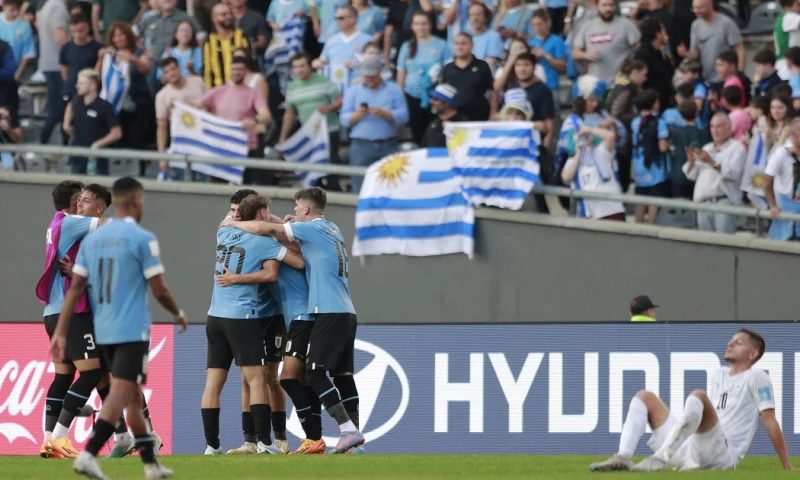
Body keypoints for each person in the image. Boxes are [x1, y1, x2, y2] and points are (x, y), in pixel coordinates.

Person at [49, 177, 187, 480]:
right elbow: (159, 288)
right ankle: (88, 453)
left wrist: (60, 331)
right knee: (123, 390)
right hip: (130, 328)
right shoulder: (142, 238)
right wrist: (178, 313)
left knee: (133, 397)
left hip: (101, 326)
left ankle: (150, 465)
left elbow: (75, 289)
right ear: (137, 201)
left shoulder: (93, 239)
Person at [225, 187, 365, 454]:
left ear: (307, 209)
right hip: (346, 310)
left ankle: (344, 432)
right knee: (341, 375)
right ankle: (350, 443)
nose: (295, 211)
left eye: (298, 207)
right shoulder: (332, 229)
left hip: (324, 310)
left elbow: (269, 232)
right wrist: (282, 222)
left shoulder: (308, 230)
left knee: (310, 374)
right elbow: (286, 234)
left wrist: (232, 223)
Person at [590, 329, 792, 472]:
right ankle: (624, 457)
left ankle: (660, 459)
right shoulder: (719, 375)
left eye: (738, 343)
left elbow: (770, 420)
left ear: (753, 353)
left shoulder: (757, 377)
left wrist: (787, 466)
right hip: (691, 450)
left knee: (699, 396)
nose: (730, 344)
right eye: (731, 340)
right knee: (645, 397)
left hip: (723, 455)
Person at [215, 193, 322, 455]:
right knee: (248, 378)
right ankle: (250, 441)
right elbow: (224, 224)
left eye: (238, 211)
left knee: (272, 378)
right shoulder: (231, 231)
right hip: (249, 315)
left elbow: (289, 265)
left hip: (274, 315)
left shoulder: (268, 238)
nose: (233, 216)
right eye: (231, 211)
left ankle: (280, 438)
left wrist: (272, 223)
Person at [36, 182, 107, 459]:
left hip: (52, 312)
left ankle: (47, 441)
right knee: (91, 371)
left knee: (63, 376)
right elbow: (110, 225)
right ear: (75, 200)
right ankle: (60, 437)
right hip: (72, 313)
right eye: (81, 199)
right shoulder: (71, 222)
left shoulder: (54, 224)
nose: (82, 204)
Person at [340, 57, 409, 193]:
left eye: (372, 76)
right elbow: (343, 119)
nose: (369, 79)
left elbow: (404, 116)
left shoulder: (394, 89)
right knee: (359, 188)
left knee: (392, 187)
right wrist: (357, 115)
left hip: (388, 145)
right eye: (366, 76)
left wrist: (385, 114)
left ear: (379, 72)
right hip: (361, 146)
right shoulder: (353, 91)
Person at [683, 112, 746, 234]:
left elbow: (733, 174)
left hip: (724, 202)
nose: (714, 130)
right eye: (712, 126)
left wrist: (711, 162)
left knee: (723, 245)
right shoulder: (707, 147)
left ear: (729, 128)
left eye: (719, 126)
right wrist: (691, 161)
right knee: (706, 246)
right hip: (703, 203)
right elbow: (692, 175)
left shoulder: (737, 148)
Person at [396, 10, 451, 145]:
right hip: (412, 96)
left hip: (435, 98)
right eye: (417, 24)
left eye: (424, 24)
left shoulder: (442, 45)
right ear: (412, 26)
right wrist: (399, 95)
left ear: (430, 25)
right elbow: (401, 72)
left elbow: (449, 71)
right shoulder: (406, 46)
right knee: (417, 131)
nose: (420, 27)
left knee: (433, 131)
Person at [560, 120, 626, 221]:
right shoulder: (572, 160)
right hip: (588, 214)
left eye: (587, 138)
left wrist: (589, 130)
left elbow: (610, 136)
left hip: (611, 210)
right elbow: (566, 177)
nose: (585, 141)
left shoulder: (602, 151)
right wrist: (578, 154)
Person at [155, 57, 207, 180]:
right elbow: (162, 128)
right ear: (164, 75)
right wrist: (162, 157)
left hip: (204, 143)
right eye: (166, 71)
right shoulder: (162, 96)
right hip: (182, 146)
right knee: (184, 184)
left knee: (208, 184)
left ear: (179, 68)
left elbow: (210, 106)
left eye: (173, 69)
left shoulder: (198, 81)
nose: (171, 73)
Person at [63, 69, 122, 175]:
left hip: (97, 160)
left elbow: (116, 133)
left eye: (81, 83)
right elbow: (66, 126)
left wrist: (97, 144)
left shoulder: (104, 106)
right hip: (78, 157)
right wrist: (71, 130)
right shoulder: (76, 103)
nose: (77, 86)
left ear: (92, 86)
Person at [572, 0, 640, 84]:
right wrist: (585, 55)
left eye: (611, 5)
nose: (608, 9)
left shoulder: (626, 25)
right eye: (604, 5)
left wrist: (628, 63)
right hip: (595, 83)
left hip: (620, 82)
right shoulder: (587, 26)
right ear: (597, 6)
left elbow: (639, 49)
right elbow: (575, 53)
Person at [631, 90, 670, 225]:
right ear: (653, 104)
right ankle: (651, 229)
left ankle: (637, 229)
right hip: (655, 168)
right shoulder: (660, 123)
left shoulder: (635, 122)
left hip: (639, 167)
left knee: (640, 201)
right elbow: (662, 147)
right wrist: (670, 142)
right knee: (654, 201)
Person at [683, 0, 744, 82]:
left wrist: (740, 74)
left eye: (699, 8)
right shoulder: (695, 25)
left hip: (724, 78)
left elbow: (740, 49)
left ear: (710, 6)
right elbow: (695, 52)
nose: (696, 11)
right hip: (705, 78)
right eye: (694, 8)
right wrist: (686, 54)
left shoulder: (726, 23)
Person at [38, 0, 71, 145]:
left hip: (48, 63)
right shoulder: (58, 7)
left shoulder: (47, 5)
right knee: (58, 108)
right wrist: (73, 55)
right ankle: (43, 142)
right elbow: (60, 37)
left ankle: (65, 145)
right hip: (58, 66)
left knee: (62, 109)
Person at [441, 33, 493, 121]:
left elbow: (492, 91)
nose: (460, 47)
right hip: (454, 119)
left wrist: (493, 113)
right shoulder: (448, 67)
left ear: (472, 46)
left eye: (463, 43)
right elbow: (443, 96)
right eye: (457, 44)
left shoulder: (482, 65)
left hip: (479, 117)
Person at [764, 118, 800, 240]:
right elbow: (766, 181)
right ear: (794, 135)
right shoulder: (781, 153)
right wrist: (772, 205)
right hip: (785, 208)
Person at [203, 3, 250, 88]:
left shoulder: (241, 36)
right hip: (219, 90)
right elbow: (207, 71)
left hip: (241, 88)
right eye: (223, 14)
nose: (228, 16)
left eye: (229, 13)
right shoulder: (209, 42)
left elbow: (250, 63)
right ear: (214, 18)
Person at [633, 18, 674, 114]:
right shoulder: (642, 54)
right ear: (657, 33)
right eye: (663, 31)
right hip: (651, 105)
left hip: (664, 101)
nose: (665, 34)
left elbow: (669, 73)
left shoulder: (658, 52)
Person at [421, 83, 468, 148]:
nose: (432, 102)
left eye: (436, 99)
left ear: (447, 103)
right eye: (432, 98)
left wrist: (452, 129)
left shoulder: (463, 124)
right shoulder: (434, 123)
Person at [0, 0, 36, 82]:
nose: (15, 13)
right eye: (12, 10)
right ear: (4, 7)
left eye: (17, 10)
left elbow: (27, 52)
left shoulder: (24, 26)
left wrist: (18, 72)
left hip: (14, 69)